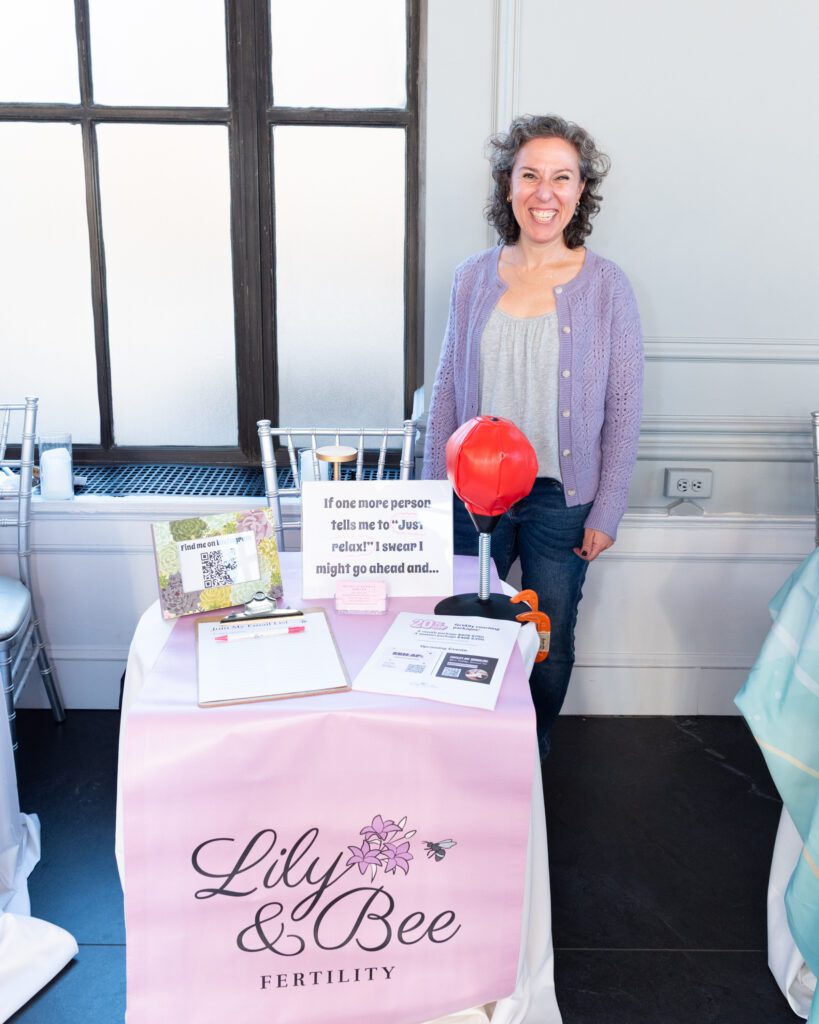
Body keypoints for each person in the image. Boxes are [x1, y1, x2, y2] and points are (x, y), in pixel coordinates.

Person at [423, 114, 643, 758]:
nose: (544, 193)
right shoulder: (471, 278)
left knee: (548, 634)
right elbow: (445, 396)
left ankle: (528, 751)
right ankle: (462, 748)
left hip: (560, 499)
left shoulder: (607, 287)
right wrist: (435, 496)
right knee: (462, 622)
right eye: (530, 176)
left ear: (580, 192)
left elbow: (626, 406)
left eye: (561, 178)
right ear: (508, 185)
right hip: (471, 494)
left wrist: (608, 509)